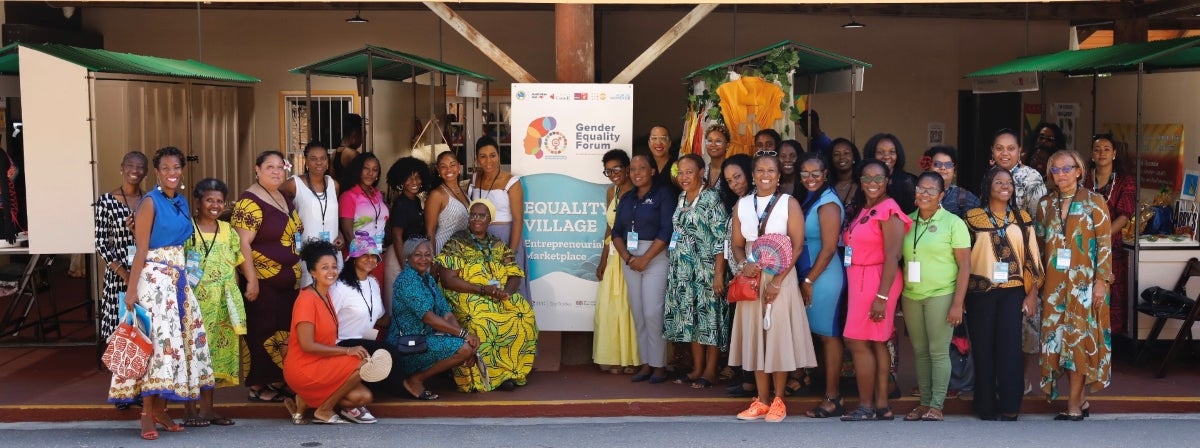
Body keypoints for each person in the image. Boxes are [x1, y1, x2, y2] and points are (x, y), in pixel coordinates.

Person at [108, 146, 214, 441]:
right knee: (156, 347)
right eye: (166, 168)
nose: (172, 173)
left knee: (175, 347)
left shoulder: (179, 201)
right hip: (155, 282)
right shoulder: (149, 202)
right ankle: (146, 414)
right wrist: (131, 291)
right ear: (157, 172)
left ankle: (162, 410)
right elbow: (142, 249)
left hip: (178, 281)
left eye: (176, 168)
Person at [729, 154, 818, 423]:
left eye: (771, 171)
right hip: (752, 277)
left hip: (781, 276)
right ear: (753, 175)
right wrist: (744, 263)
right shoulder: (742, 205)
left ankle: (779, 399)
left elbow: (798, 245)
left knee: (777, 336)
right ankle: (762, 400)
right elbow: (736, 243)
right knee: (756, 336)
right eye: (759, 170)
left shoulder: (788, 204)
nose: (765, 175)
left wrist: (778, 281)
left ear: (779, 176)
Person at [1035, 150, 1113, 420]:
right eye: (1055, 170)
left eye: (1066, 169)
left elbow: (1104, 245)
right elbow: (1039, 247)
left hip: (1085, 285)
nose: (1061, 174)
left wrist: (1101, 282)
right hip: (1054, 287)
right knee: (1057, 342)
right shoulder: (1045, 204)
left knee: (1079, 342)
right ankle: (1081, 400)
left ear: (1079, 171)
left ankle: (1073, 406)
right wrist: (1036, 284)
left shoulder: (1095, 202)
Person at [963, 167, 1043, 421]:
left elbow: (1032, 258)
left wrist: (1032, 294)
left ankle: (1010, 405)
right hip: (979, 293)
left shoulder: (1022, 217)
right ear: (988, 186)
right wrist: (961, 296)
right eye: (998, 181)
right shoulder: (972, 218)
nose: (1004, 186)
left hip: (1013, 292)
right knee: (983, 349)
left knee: (1009, 349)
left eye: (1008, 182)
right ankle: (985, 405)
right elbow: (962, 260)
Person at [436, 199, 539, 392]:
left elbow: (514, 273)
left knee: (523, 315)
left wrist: (506, 293)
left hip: (496, 295)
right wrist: (483, 290)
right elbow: (449, 279)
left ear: (489, 219)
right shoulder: (457, 241)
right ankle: (484, 378)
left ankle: (510, 372)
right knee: (480, 319)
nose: (476, 219)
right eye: (473, 215)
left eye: (481, 215)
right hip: (464, 293)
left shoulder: (497, 243)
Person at [839, 159, 912, 421]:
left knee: (857, 341)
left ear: (887, 181)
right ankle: (881, 406)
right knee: (876, 342)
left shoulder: (888, 210)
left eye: (878, 178)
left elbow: (893, 257)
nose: (872, 183)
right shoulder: (866, 208)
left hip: (877, 279)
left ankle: (866, 406)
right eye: (867, 178)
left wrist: (881, 297)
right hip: (862, 278)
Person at [899, 172, 970, 422]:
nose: (924, 194)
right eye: (921, 189)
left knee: (938, 350)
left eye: (931, 190)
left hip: (942, 293)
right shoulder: (907, 222)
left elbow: (965, 267)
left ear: (942, 195)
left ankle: (937, 406)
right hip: (911, 295)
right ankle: (924, 403)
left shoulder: (953, 223)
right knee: (920, 351)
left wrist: (958, 303)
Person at [232, 150, 302, 404]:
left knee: (282, 330)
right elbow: (242, 244)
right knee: (261, 331)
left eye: (279, 167)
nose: (275, 171)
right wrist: (251, 280)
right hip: (262, 282)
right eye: (269, 167)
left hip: (286, 283)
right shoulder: (249, 202)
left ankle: (278, 378)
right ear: (257, 169)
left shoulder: (283, 196)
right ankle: (257, 384)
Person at [281, 240, 377, 425]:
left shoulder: (326, 295)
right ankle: (323, 409)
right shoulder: (307, 300)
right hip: (304, 368)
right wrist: (347, 351)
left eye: (334, 266)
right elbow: (307, 345)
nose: (331, 271)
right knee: (362, 362)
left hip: (321, 363)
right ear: (312, 272)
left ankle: (304, 402)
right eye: (324, 268)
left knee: (363, 397)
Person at [182, 178, 244, 427]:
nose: (215, 205)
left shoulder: (228, 230)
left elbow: (236, 263)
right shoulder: (187, 229)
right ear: (198, 202)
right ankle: (189, 410)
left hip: (221, 304)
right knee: (192, 354)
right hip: (195, 304)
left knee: (215, 356)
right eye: (210, 200)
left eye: (220, 201)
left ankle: (208, 409)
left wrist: (238, 297)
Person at [664, 154, 729, 389]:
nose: (684, 177)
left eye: (689, 172)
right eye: (680, 172)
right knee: (691, 320)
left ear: (701, 172)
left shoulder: (711, 199)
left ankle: (710, 371)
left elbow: (722, 239)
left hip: (707, 272)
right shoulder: (681, 197)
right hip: (683, 272)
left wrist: (719, 275)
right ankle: (697, 368)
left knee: (709, 321)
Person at [611, 154, 676, 384]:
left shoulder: (663, 194)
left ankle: (660, 366)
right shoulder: (627, 198)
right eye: (633, 169)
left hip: (655, 256)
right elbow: (616, 232)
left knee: (652, 312)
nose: (637, 172)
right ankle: (646, 364)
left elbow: (667, 230)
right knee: (638, 313)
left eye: (642, 168)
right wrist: (628, 258)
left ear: (652, 171)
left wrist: (646, 258)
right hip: (630, 259)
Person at [991, 128, 1047, 394]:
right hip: (995, 261)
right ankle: (1003, 377)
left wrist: (1035, 270)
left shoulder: (1032, 179)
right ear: (993, 152)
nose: (1005, 153)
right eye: (999, 148)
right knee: (1002, 323)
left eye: (1010, 148)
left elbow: (1041, 226)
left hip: (1024, 260)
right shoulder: (990, 176)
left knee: (1027, 324)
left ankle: (1023, 380)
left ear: (1020, 151)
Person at [793, 153, 848, 418]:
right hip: (812, 275)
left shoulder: (828, 204)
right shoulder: (810, 199)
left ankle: (833, 397)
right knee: (820, 335)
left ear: (826, 174)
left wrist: (808, 280)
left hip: (823, 277)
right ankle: (823, 388)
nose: (810, 178)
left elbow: (827, 249)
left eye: (816, 173)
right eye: (805, 173)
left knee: (829, 335)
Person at [390, 238, 479, 400]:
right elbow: (429, 318)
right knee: (463, 348)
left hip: (424, 340)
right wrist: (464, 335)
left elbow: (447, 313)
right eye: (418, 255)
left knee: (466, 347)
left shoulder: (428, 279)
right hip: (406, 344)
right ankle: (414, 380)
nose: (423, 259)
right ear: (408, 258)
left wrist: (463, 339)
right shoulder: (407, 280)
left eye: (427, 255)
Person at [94, 151, 147, 353]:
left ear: (146, 172)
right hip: (119, 274)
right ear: (122, 167)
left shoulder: (149, 200)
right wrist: (124, 274)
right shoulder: (107, 201)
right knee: (121, 325)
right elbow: (100, 242)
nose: (135, 170)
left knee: (144, 324)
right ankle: (122, 377)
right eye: (130, 165)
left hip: (145, 271)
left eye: (140, 167)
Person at [593, 149, 640, 374]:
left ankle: (632, 359)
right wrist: (602, 261)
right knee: (612, 308)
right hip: (613, 257)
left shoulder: (639, 190)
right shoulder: (612, 192)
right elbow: (609, 227)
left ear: (627, 167)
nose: (612, 174)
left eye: (616, 169)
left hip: (633, 256)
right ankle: (614, 357)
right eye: (608, 171)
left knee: (631, 307)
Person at [1084, 134, 1135, 336]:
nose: (1101, 153)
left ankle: (1107, 344)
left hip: (1111, 247)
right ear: (1092, 154)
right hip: (1084, 246)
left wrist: (1102, 236)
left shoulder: (1125, 181)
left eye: (1106, 149)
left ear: (1114, 154)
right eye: (1097, 149)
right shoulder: (1083, 178)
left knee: (1108, 295)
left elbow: (1125, 215)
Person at [716, 154, 758, 398]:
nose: (735, 184)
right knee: (742, 330)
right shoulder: (737, 202)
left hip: (752, 274)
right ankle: (748, 379)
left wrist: (743, 268)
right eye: (729, 181)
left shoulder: (756, 201)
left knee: (752, 330)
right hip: (738, 276)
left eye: (738, 177)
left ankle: (753, 382)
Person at [468, 136, 529, 300]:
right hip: (480, 240)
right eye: (483, 156)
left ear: (499, 156)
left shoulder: (511, 181)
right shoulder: (475, 179)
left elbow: (518, 219)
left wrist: (511, 251)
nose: (488, 161)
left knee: (509, 287)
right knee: (486, 286)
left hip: (505, 238)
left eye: (492, 155)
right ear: (477, 159)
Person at [282, 141, 342, 288]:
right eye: (313, 159)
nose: (319, 162)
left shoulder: (334, 185)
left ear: (328, 162)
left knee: (333, 298)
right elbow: (276, 203)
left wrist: (340, 234)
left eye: (323, 158)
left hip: (332, 253)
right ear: (306, 161)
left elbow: (332, 217)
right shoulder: (294, 184)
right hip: (307, 254)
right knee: (310, 296)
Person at [383, 156, 431, 317]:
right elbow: (397, 237)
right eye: (409, 177)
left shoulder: (416, 201)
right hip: (400, 256)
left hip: (414, 257)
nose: (414, 181)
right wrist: (405, 267)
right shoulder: (401, 204)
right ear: (401, 181)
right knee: (396, 304)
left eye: (417, 176)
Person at [339, 152, 388, 286]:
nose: (370, 173)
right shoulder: (349, 196)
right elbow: (348, 233)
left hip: (377, 255)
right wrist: (362, 258)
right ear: (358, 170)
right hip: (360, 258)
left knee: (376, 295)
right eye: (366, 168)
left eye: (374, 170)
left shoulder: (378, 195)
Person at [425, 151, 469, 254]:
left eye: (452, 165)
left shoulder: (463, 191)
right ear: (438, 170)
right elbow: (430, 231)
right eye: (443, 166)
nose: (449, 169)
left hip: (461, 251)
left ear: (459, 167)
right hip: (443, 250)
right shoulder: (437, 195)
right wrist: (433, 260)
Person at [864, 133, 916, 215]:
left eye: (892, 152)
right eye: (880, 152)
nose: (887, 156)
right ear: (872, 154)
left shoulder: (908, 182)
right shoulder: (864, 180)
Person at [924, 146, 978, 219]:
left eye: (948, 165)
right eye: (937, 164)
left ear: (954, 171)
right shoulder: (918, 193)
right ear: (928, 168)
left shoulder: (964, 196)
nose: (943, 168)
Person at [830, 138, 862, 220]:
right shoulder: (826, 186)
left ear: (854, 157)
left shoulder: (862, 185)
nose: (841, 157)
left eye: (846, 153)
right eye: (836, 154)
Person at [331, 114, 363, 180]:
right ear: (354, 134)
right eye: (363, 133)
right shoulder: (353, 154)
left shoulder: (335, 153)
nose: (362, 139)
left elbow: (332, 178)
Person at [647, 125, 678, 191]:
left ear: (669, 143)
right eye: (654, 138)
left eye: (663, 138)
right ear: (649, 143)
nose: (658, 143)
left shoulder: (678, 165)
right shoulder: (643, 164)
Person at [704, 124, 730, 190]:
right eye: (709, 141)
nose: (713, 144)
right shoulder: (701, 171)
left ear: (727, 145)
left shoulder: (732, 171)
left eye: (718, 141)